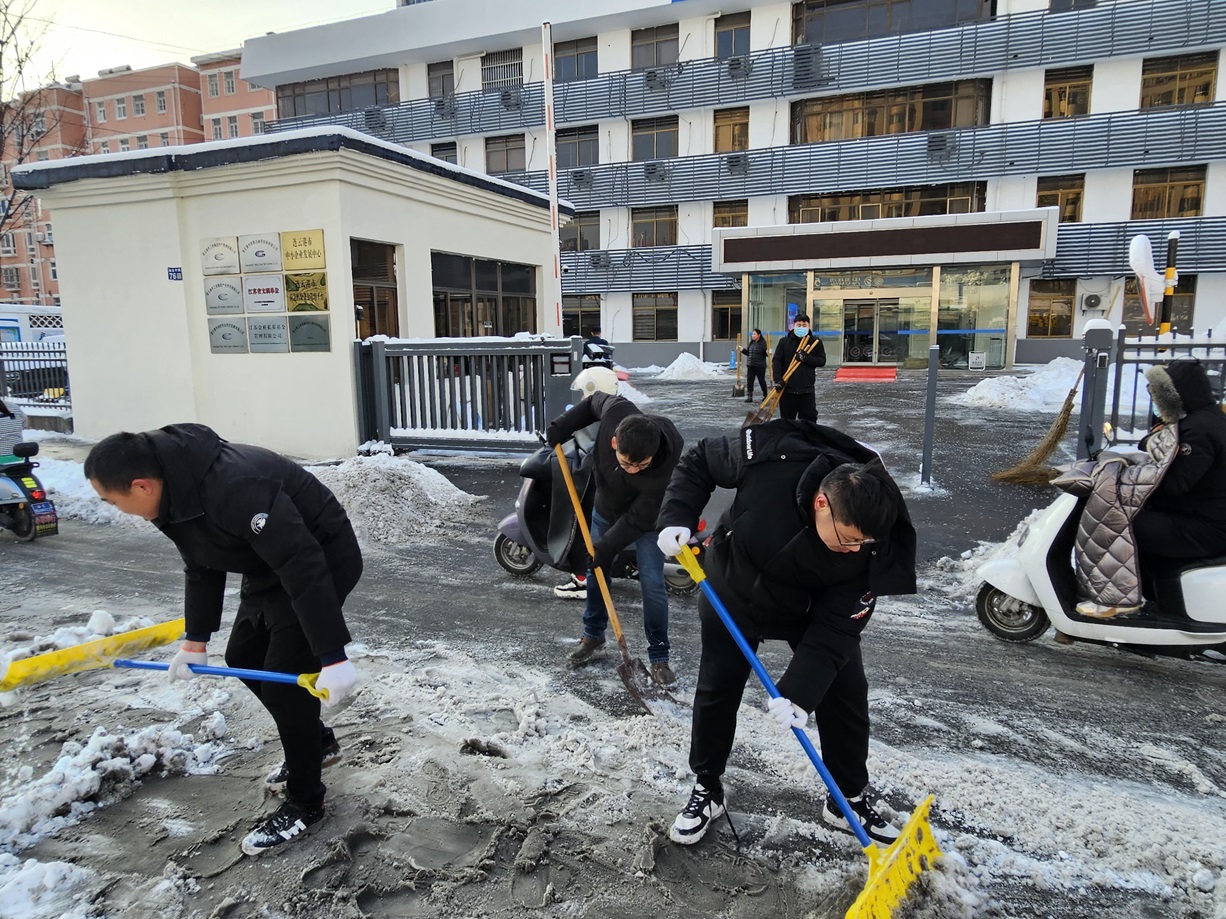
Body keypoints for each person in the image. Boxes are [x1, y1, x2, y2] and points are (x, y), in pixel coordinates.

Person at [84, 423, 363, 857]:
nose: (117, 509)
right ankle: (317, 741)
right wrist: (195, 640)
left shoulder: (234, 485)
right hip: (265, 563)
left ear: (140, 486)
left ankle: (306, 802)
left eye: (113, 501)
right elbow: (201, 559)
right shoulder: (172, 490)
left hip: (320, 557)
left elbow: (301, 560)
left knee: (285, 682)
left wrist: (331, 655)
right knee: (243, 655)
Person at [655, 420, 916, 846]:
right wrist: (676, 516)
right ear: (821, 503)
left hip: (812, 609)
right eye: (848, 539)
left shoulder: (874, 539)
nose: (854, 549)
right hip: (735, 588)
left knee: (846, 690)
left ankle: (846, 796)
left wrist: (798, 693)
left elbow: (838, 628)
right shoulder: (773, 455)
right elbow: (700, 459)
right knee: (718, 687)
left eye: (862, 544)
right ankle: (708, 788)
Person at [545, 392, 684, 687]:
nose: (632, 470)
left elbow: (638, 519)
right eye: (626, 463)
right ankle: (593, 635)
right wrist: (561, 426)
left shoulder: (665, 465)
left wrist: (605, 547)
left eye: (641, 466)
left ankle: (659, 655)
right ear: (613, 443)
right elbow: (593, 402)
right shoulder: (616, 414)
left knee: (652, 583)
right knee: (596, 573)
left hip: (646, 523)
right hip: (605, 510)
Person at [1076, 358, 1226, 618]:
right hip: (1203, 517)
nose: (1156, 402)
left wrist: (1128, 480)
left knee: (1115, 526)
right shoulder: (1208, 420)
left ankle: (1117, 601)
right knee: (1136, 520)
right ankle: (1152, 595)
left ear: (1175, 396)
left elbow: (1175, 482)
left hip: (1206, 528)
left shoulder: (1198, 431)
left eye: (1159, 396)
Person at [771, 314, 826, 422]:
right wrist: (778, 380)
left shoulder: (815, 342)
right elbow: (777, 361)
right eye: (799, 325)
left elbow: (821, 361)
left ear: (809, 326)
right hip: (787, 389)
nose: (801, 327)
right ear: (793, 325)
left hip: (807, 390)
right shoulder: (784, 342)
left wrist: (805, 358)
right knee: (787, 423)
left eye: (804, 325)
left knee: (809, 422)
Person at [740, 329, 769, 404]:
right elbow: (748, 353)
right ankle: (749, 396)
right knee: (750, 381)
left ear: (759, 335)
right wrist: (742, 350)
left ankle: (765, 395)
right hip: (751, 365)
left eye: (754, 334)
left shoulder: (763, 343)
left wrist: (768, 352)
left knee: (761, 381)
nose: (753, 335)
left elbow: (766, 354)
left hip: (760, 366)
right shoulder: (751, 343)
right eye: (752, 334)